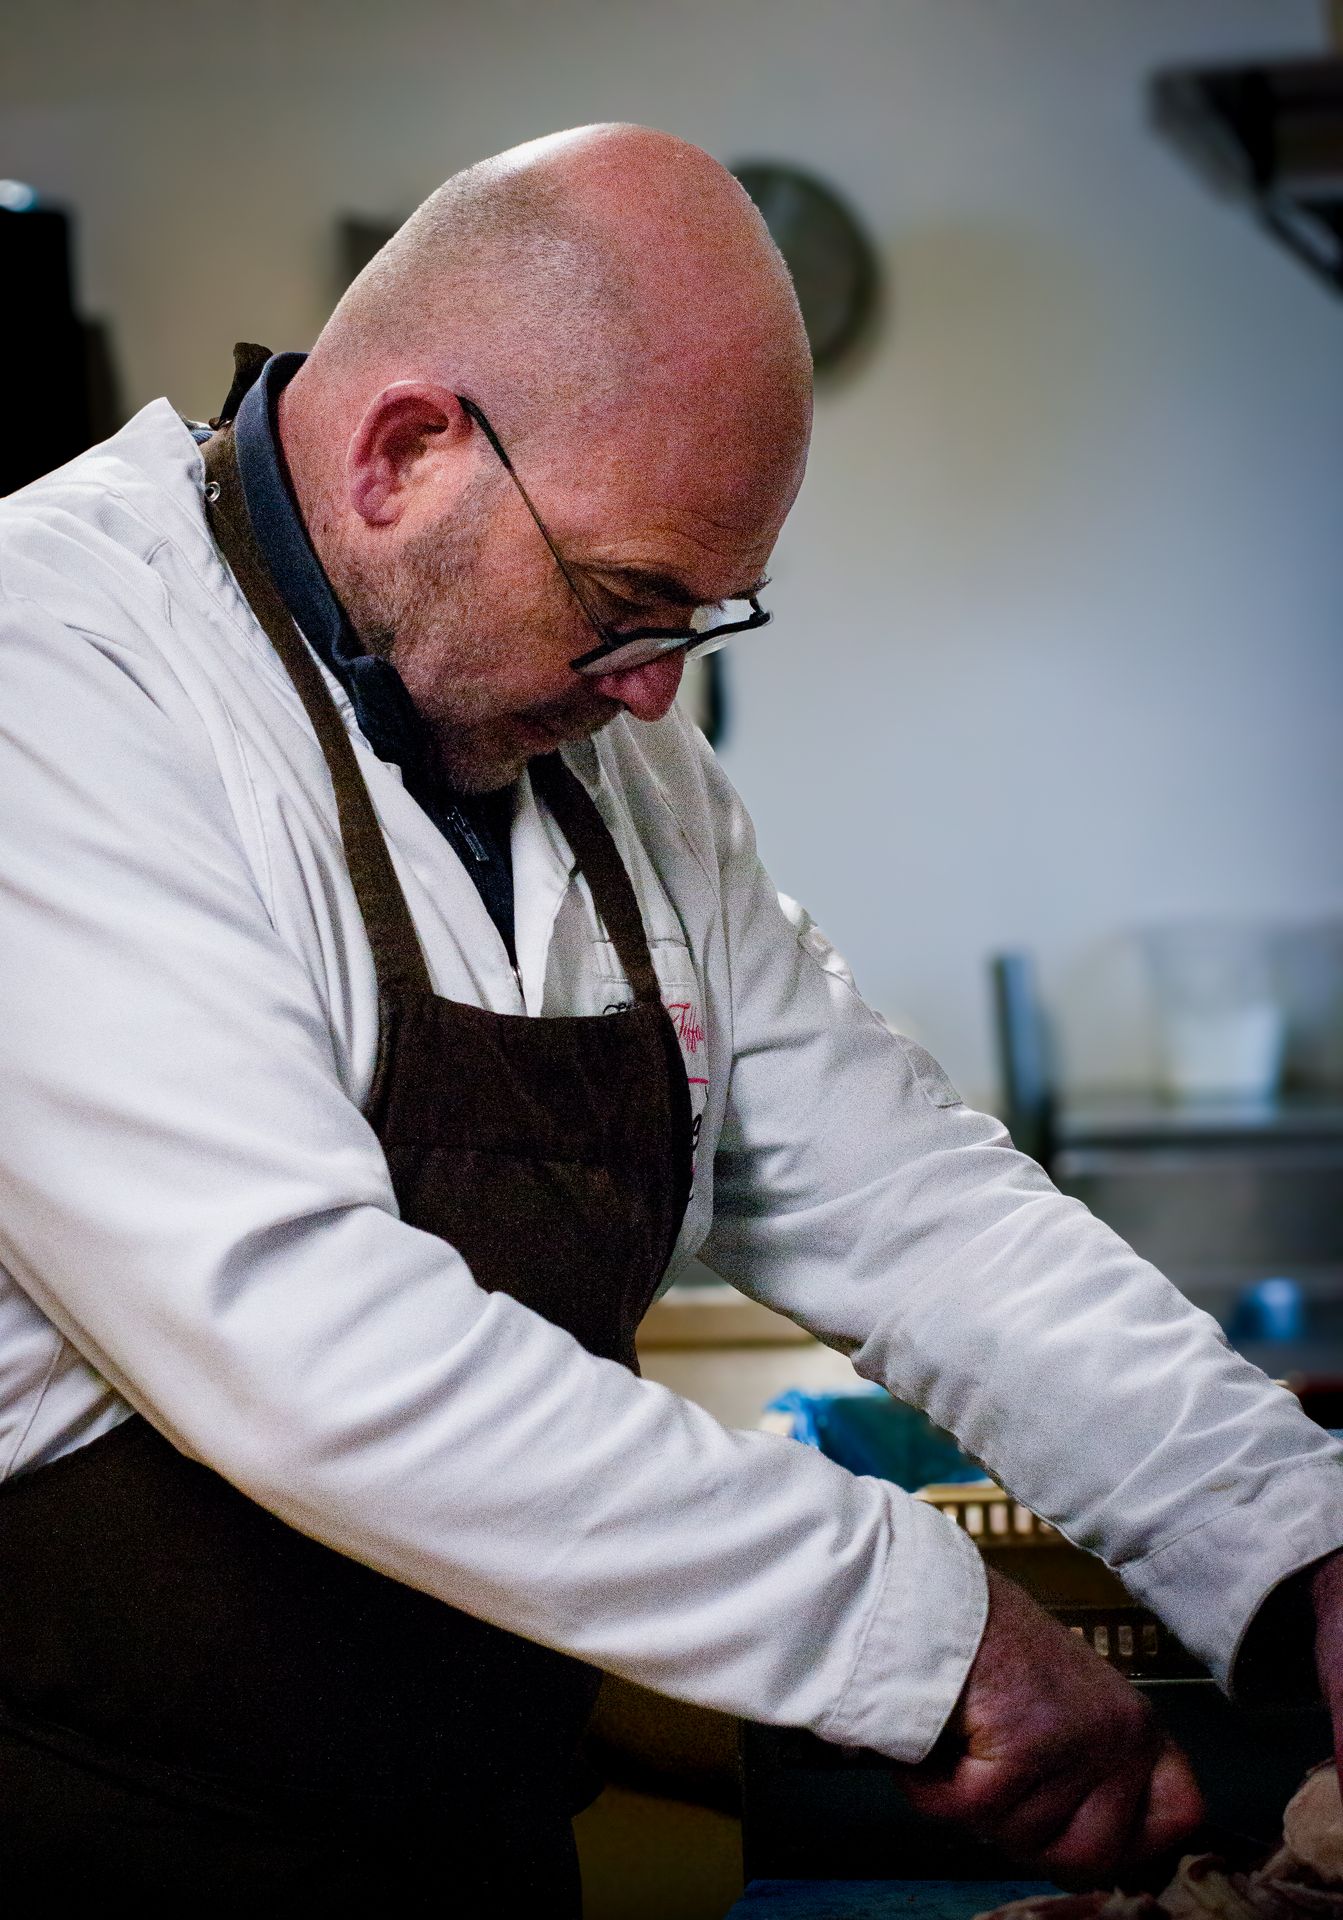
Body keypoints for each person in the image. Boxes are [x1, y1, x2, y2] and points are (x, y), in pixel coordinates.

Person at [0, 122, 1340, 1906]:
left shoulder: (620, 767)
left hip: (469, 1842)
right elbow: (301, 1336)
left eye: (701, 622)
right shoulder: (56, 663)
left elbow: (914, 1204)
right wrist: (933, 1633)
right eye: (625, 604)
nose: (653, 694)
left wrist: (1299, 1544)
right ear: (407, 454)